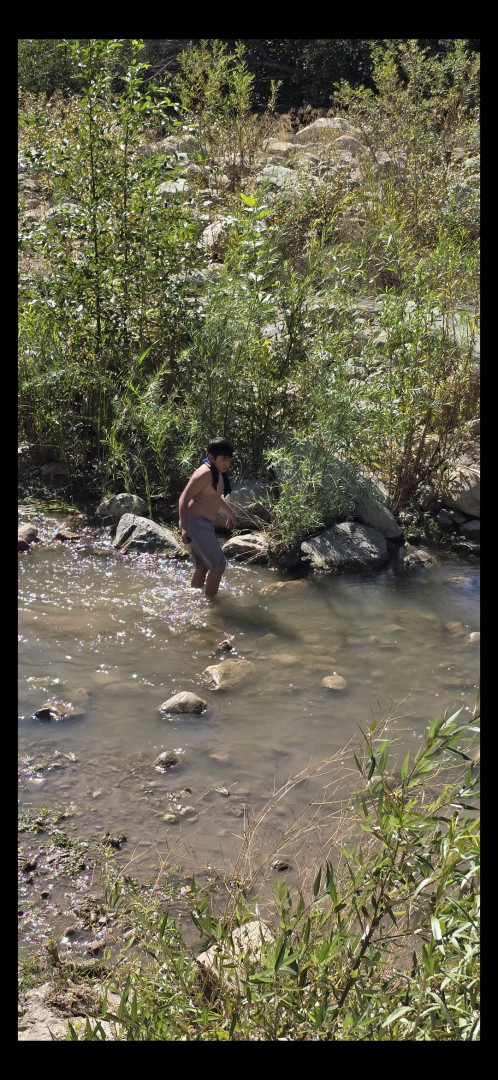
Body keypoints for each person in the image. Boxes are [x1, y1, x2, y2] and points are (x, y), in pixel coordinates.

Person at [179, 437, 237, 599]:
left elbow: (213, 497)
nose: (226, 464)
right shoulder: (204, 473)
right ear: (211, 457)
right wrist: (184, 528)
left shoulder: (216, 472)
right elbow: (183, 499)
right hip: (195, 523)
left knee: (203, 566)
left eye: (229, 460)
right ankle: (212, 606)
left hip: (202, 523)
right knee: (218, 566)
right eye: (223, 460)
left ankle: (194, 599)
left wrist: (229, 512)